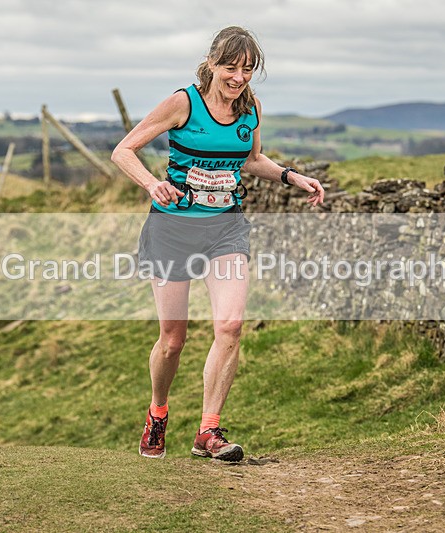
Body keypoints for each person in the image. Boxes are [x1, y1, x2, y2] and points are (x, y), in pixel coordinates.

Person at [111, 25, 325, 462]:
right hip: (172, 231)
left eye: (248, 69)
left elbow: (252, 159)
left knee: (230, 325)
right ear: (211, 63)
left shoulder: (251, 109)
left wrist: (290, 176)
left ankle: (208, 431)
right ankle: (157, 412)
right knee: (173, 339)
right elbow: (123, 151)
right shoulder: (183, 102)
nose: (239, 77)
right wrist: (153, 184)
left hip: (226, 229)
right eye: (231, 67)